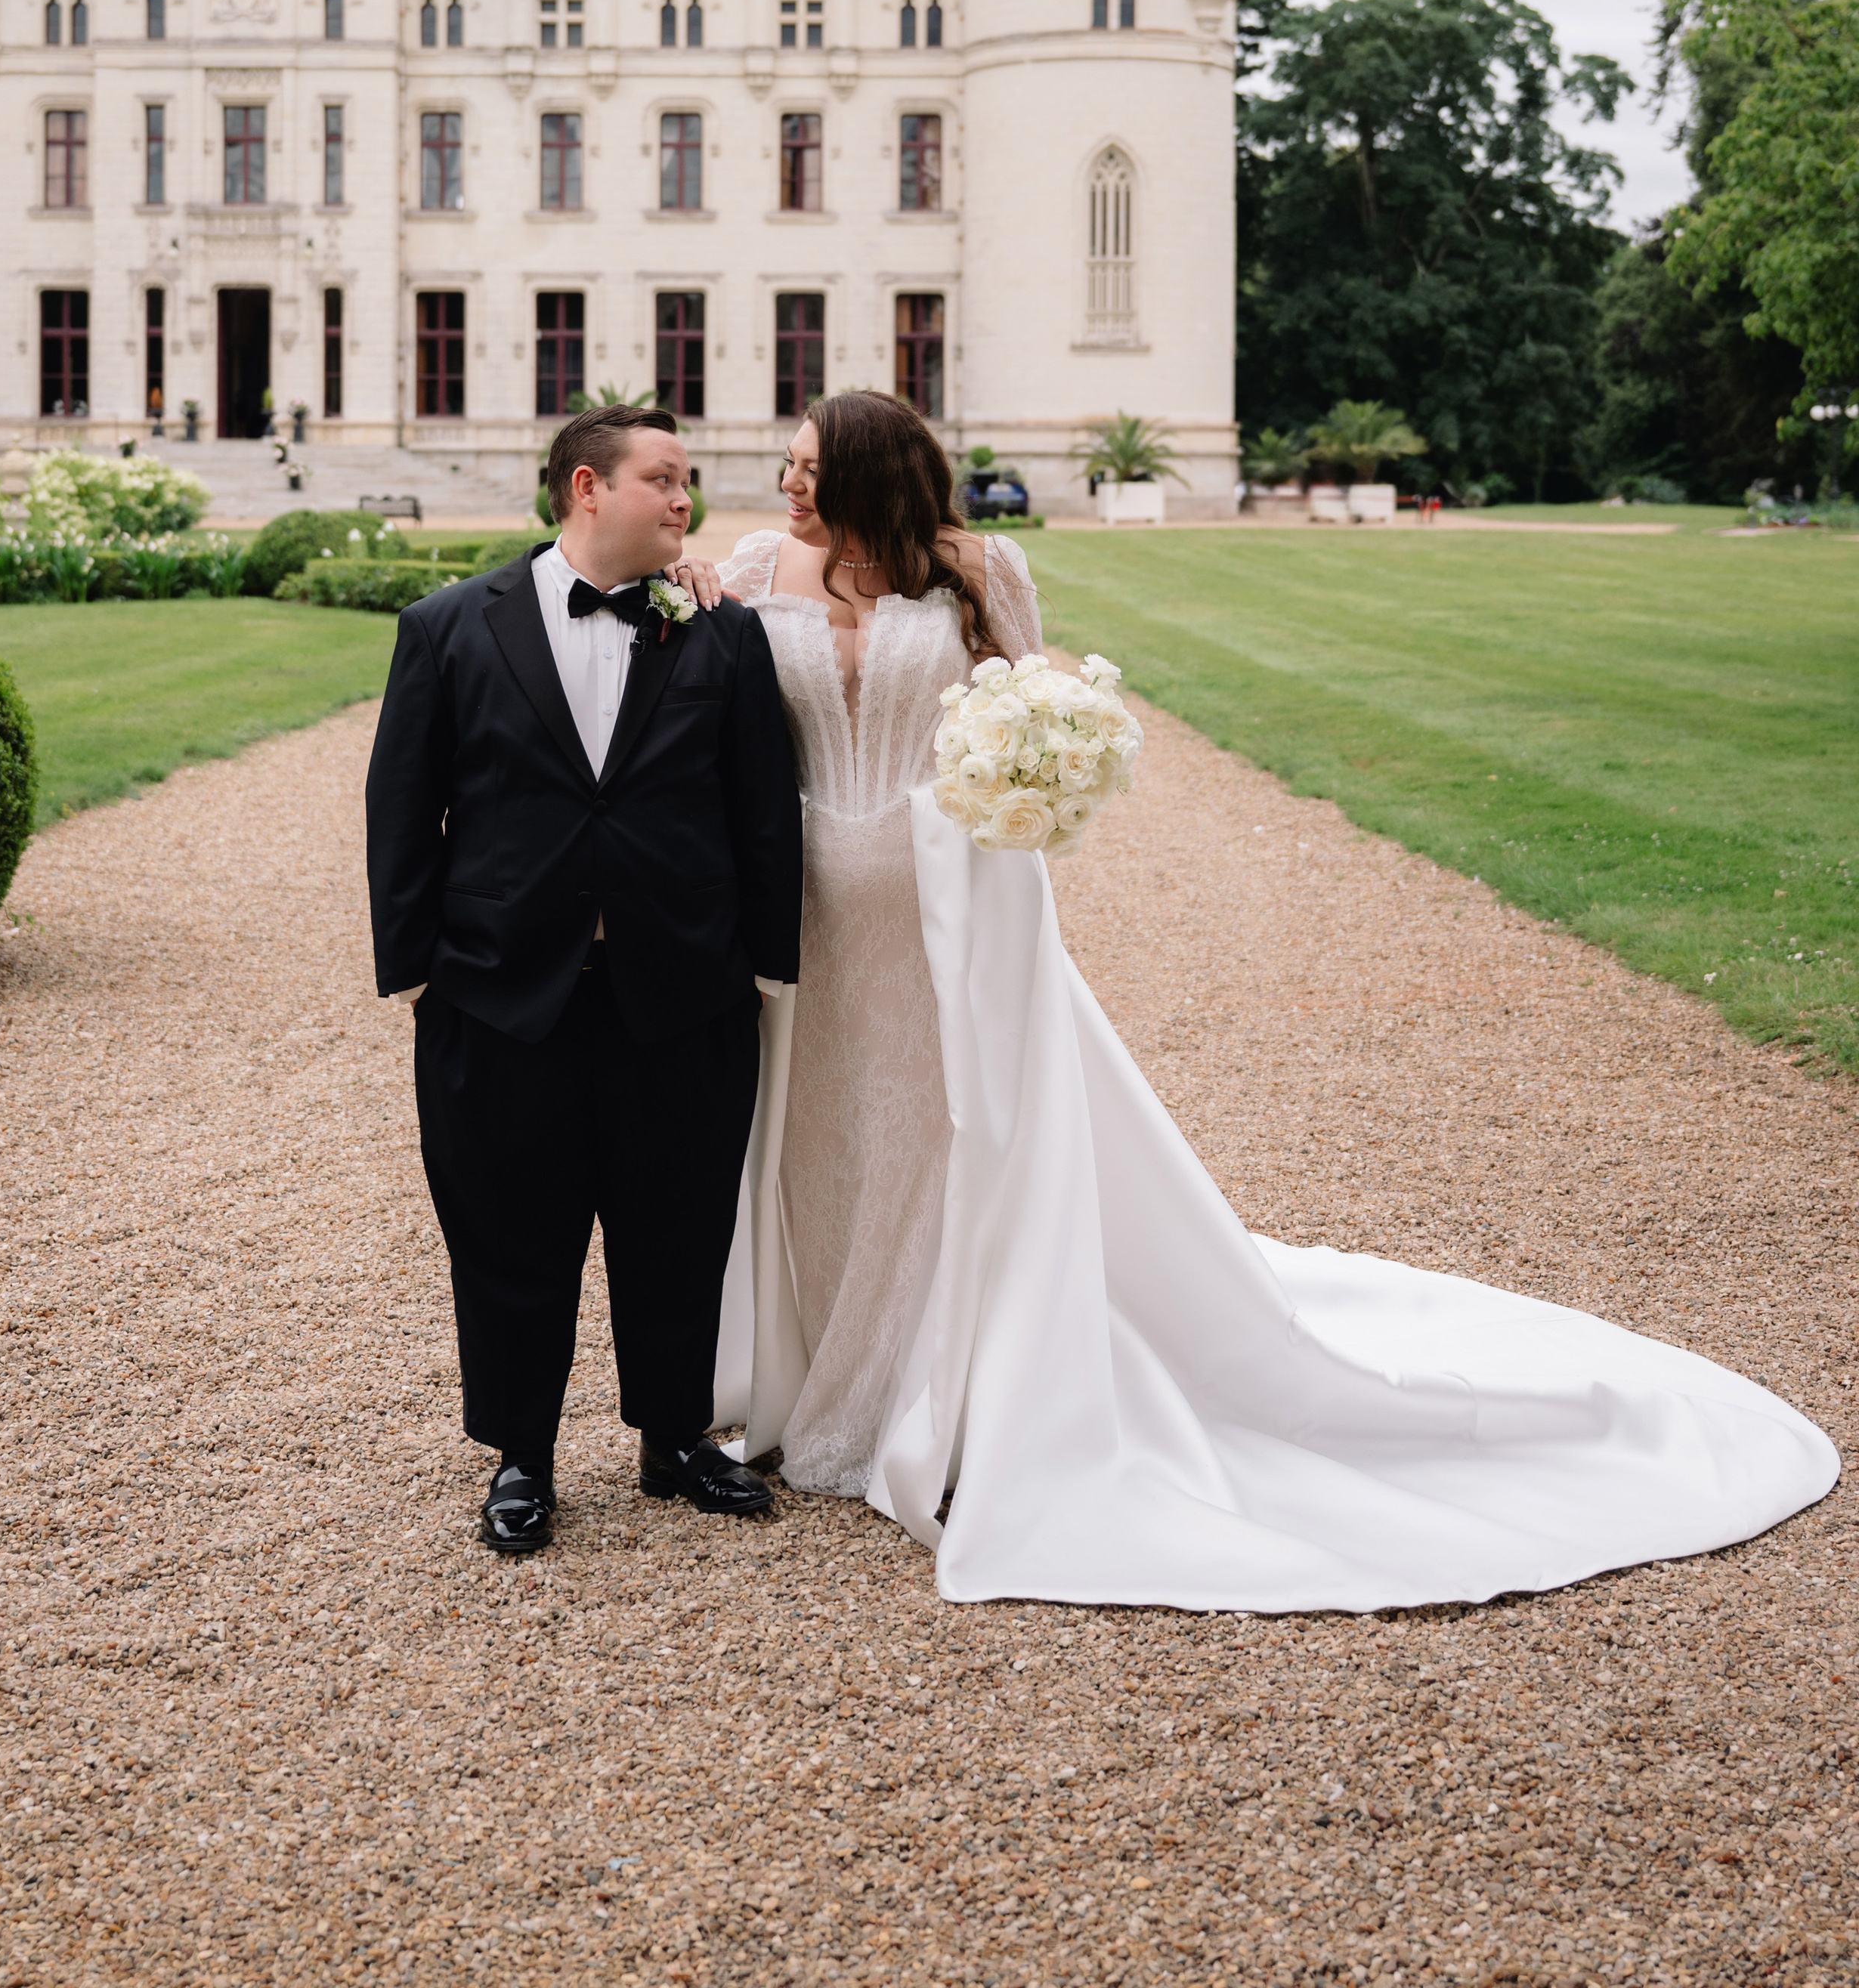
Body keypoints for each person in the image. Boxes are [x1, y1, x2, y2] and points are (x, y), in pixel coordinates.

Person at [679, 391, 1838, 1612]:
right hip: (807, 915)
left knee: (946, 1139)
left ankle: (933, 1395)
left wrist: (1043, 764)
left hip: (951, 916)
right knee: (823, 1139)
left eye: (807, 467)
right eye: (787, 465)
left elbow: (1032, 705)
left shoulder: (979, 571)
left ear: (871, 475)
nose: (787, 483)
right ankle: (827, 1377)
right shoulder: (750, 570)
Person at [366, 405, 803, 1555]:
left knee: (681, 1225)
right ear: (586, 488)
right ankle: (523, 1455)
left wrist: (765, 968)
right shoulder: (448, 626)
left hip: (684, 993)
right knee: (509, 1236)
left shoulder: (723, 630)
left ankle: (675, 1438)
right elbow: (403, 806)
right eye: (664, 478)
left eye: (688, 480)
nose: (685, 499)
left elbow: (762, 808)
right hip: (501, 997)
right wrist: (417, 977)